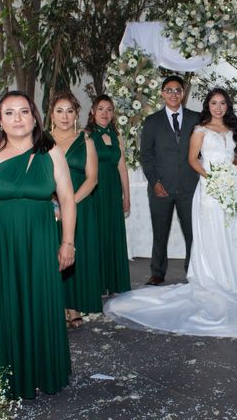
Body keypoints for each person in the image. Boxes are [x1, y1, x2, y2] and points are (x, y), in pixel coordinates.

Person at [104, 88, 237, 337]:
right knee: (212, 232)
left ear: (228, 106)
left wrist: (233, 174)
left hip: (230, 187)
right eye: (214, 103)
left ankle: (234, 277)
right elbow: (193, 159)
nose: (218, 107)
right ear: (208, 106)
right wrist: (213, 177)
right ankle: (213, 277)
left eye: (223, 103)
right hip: (209, 190)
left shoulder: (233, 131)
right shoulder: (200, 130)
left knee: (232, 230)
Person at [0, 90, 76, 399]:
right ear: (0, 121)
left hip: (39, 243)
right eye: (10, 113)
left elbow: (67, 199)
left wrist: (68, 243)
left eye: (23, 111)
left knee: (39, 300)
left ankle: (41, 370)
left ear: (34, 117)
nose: (17, 118)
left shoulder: (51, 152)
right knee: (0, 304)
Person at [140, 75, 200, 285]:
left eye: (177, 90)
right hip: (160, 188)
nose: (173, 94)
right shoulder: (152, 121)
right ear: (162, 93)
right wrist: (155, 182)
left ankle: (193, 271)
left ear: (183, 94)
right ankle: (157, 272)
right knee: (160, 233)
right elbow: (146, 156)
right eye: (169, 90)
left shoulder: (197, 118)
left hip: (190, 187)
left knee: (193, 234)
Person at [49, 92, 99, 326]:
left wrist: (70, 203)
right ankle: (57, 304)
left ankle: (75, 305)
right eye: (59, 111)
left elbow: (92, 179)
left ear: (76, 115)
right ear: (52, 115)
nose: (65, 116)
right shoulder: (42, 141)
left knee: (76, 254)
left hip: (80, 204)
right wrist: (55, 204)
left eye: (69, 111)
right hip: (50, 206)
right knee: (53, 255)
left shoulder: (86, 140)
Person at [88, 94, 131, 294]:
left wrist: (126, 195)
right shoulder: (86, 135)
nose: (105, 113)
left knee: (113, 233)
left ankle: (114, 282)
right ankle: (97, 283)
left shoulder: (116, 135)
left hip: (113, 190)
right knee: (97, 234)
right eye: (101, 109)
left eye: (109, 109)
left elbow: (122, 167)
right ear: (93, 112)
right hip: (94, 190)